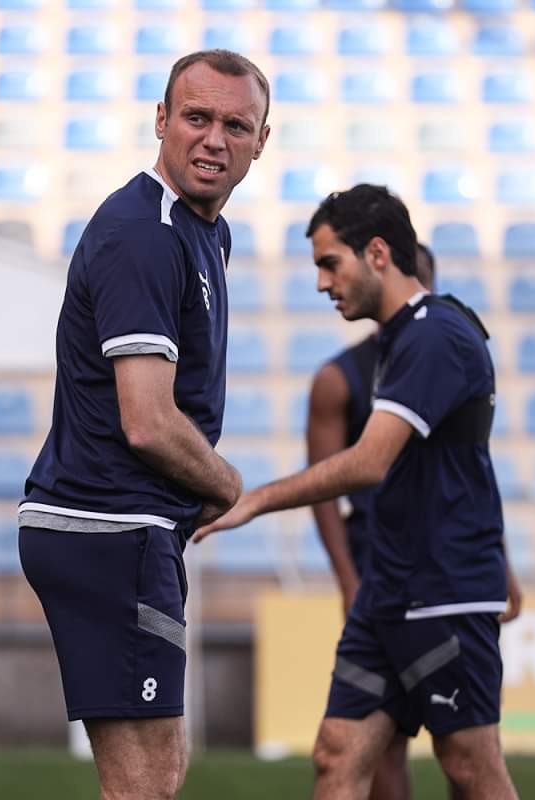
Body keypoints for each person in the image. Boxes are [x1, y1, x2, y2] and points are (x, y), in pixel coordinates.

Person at [197, 184, 518, 800]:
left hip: (442, 592)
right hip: (388, 590)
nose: (322, 283)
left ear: (376, 253)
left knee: (471, 768)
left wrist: (256, 500)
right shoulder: (400, 338)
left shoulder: (435, 334)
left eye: (329, 263)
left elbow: (370, 463)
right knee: (337, 756)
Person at [18, 49, 269, 800]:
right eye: (196, 117)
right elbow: (149, 422)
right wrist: (227, 485)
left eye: (236, 125)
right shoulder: (145, 233)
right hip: (109, 524)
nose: (214, 139)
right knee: (145, 785)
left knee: (154, 775)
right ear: (161, 120)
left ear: (261, 142)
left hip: (127, 527)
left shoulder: (203, 231)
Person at [306, 242, 523, 800]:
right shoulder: (339, 378)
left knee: (466, 757)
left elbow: (467, 464)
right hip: (378, 570)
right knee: (356, 751)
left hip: (444, 577)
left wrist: (500, 561)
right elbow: (324, 489)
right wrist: (348, 580)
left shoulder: (443, 347)